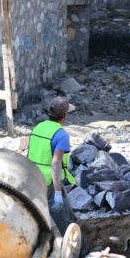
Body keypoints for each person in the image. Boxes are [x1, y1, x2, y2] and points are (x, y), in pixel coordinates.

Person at [28, 96, 77, 235]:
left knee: (67, 214)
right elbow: (56, 163)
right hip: (50, 182)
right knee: (64, 221)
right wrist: (56, 192)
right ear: (65, 115)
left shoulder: (39, 127)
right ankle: (81, 252)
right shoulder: (61, 134)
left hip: (33, 176)